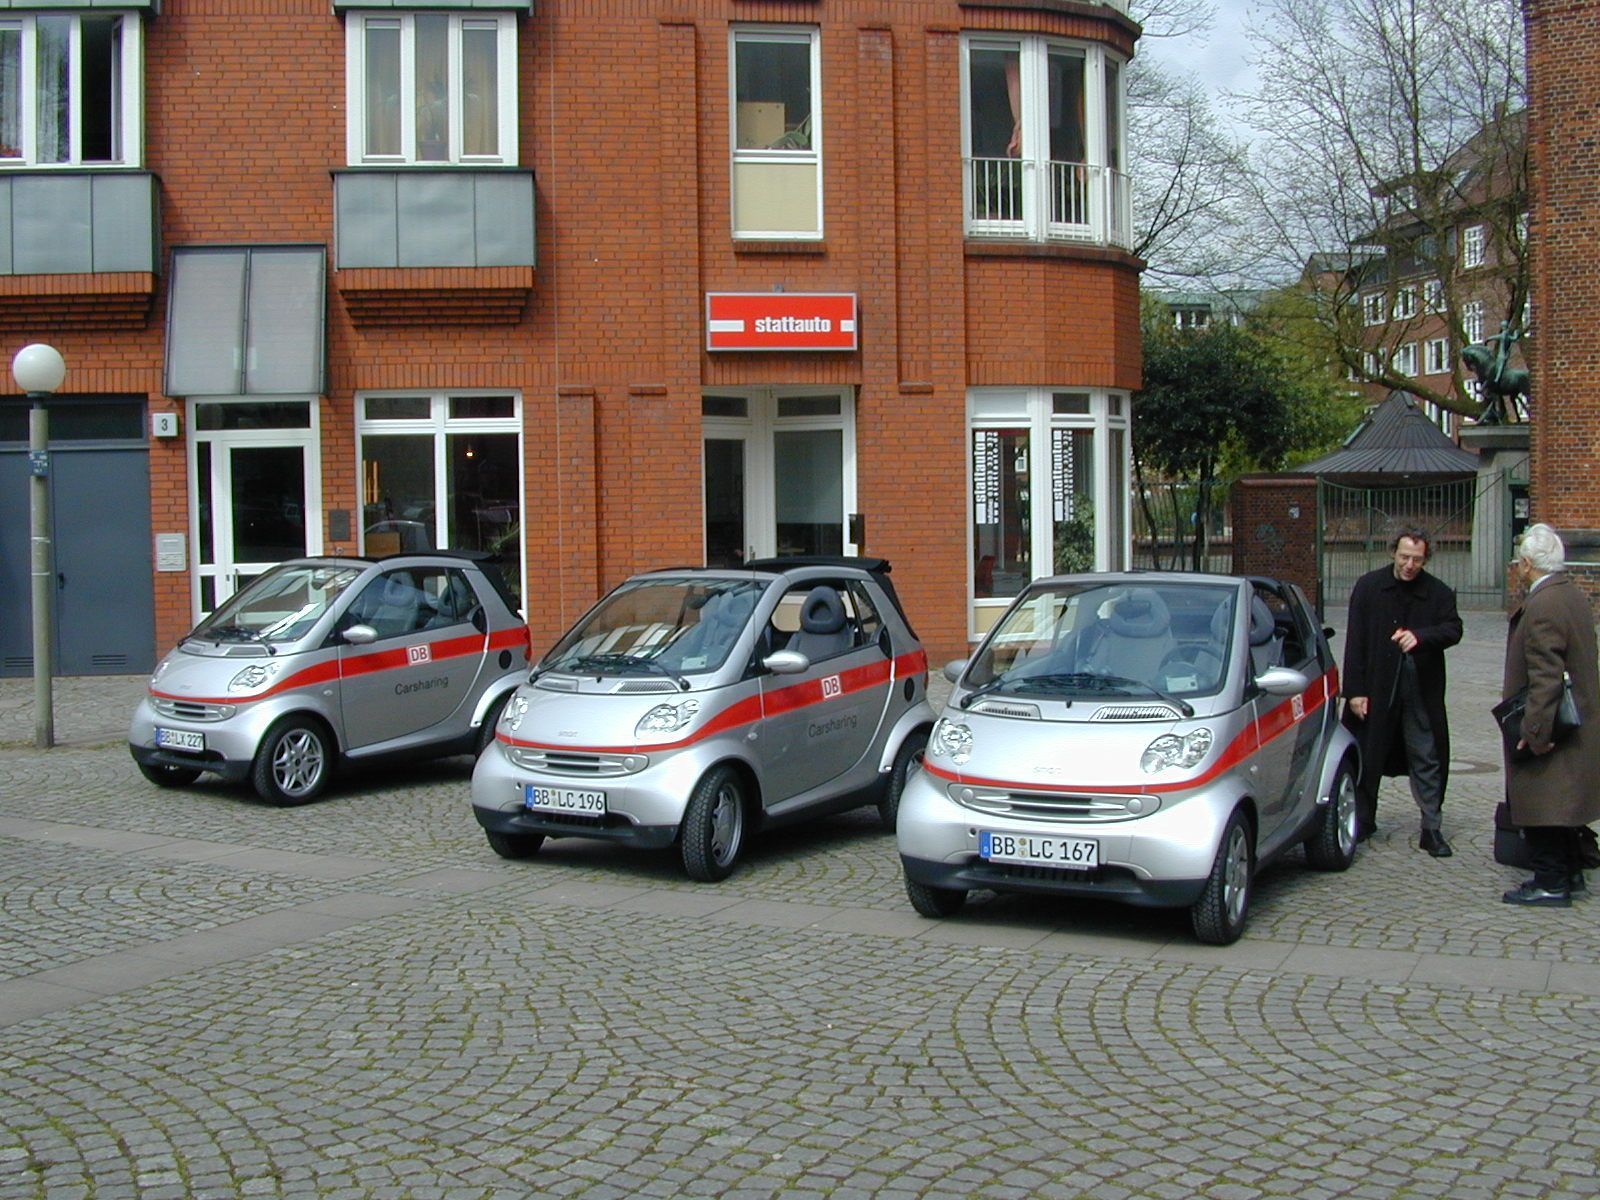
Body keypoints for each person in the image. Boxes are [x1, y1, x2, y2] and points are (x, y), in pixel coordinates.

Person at [1341, 527, 1463, 855]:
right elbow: (1355, 642)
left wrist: (1421, 638)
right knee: (1368, 753)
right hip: (1377, 685)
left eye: (1417, 560)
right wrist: (1354, 691)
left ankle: (1431, 827)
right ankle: (1363, 819)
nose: (1410, 565)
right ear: (1393, 552)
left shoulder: (1437, 593)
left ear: (1426, 560)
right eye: (1405, 557)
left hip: (1420, 688)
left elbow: (1454, 629)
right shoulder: (1369, 587)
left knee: (1427, 754)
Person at [1501, 523, 1600, 906]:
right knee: (1564, 804)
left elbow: (1545, 676)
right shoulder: (1570, 594)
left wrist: (1535, 730)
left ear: (1527, 564)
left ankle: (1551, 881)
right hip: (1579, 721)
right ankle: (1570, 873)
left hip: (1554, 723)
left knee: (1544, 800)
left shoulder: (1543, 604)